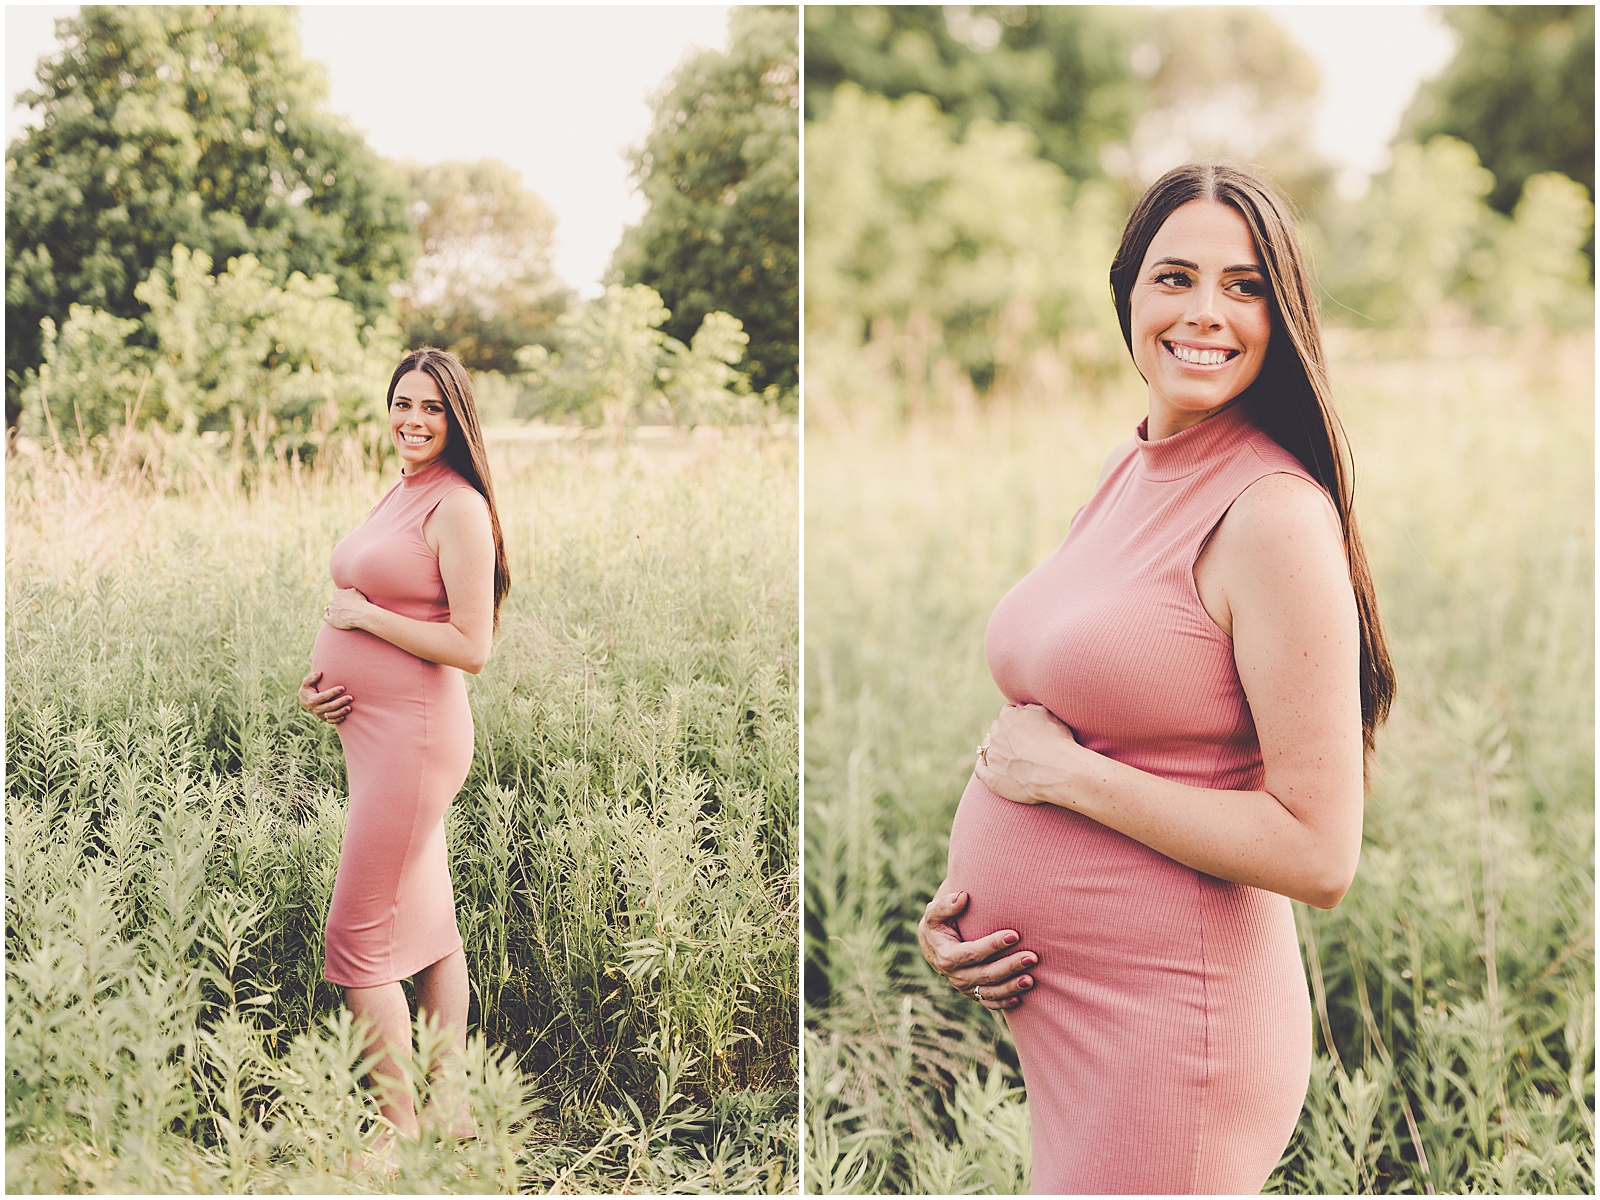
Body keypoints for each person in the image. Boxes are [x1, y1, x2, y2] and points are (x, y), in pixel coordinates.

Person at [917, 163, 1396, 1194]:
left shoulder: (1270, 512)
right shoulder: (1133, 466)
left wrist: (1063, 783)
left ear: (1283, 312)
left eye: (1245, 286)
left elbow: (1320, 853)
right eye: (1173, 277)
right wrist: (969, 914)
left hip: (1174, 1033)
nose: (1205, 313)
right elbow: (1076, 717)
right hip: (1082, 1022)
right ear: (1127, 293)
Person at [297, 347, 511, 1145]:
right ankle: (449, 1110)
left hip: (417, 739)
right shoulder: (403, 489)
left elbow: (471, 643)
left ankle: (398, 1133)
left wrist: (360, 622)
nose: (413, 420)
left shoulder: (458, 506)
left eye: (431, 408)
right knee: (427, 921)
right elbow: (362, 603)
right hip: (374, 736)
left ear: (457, 419)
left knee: (356, 936)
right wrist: (320, 687)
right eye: (402, 403)